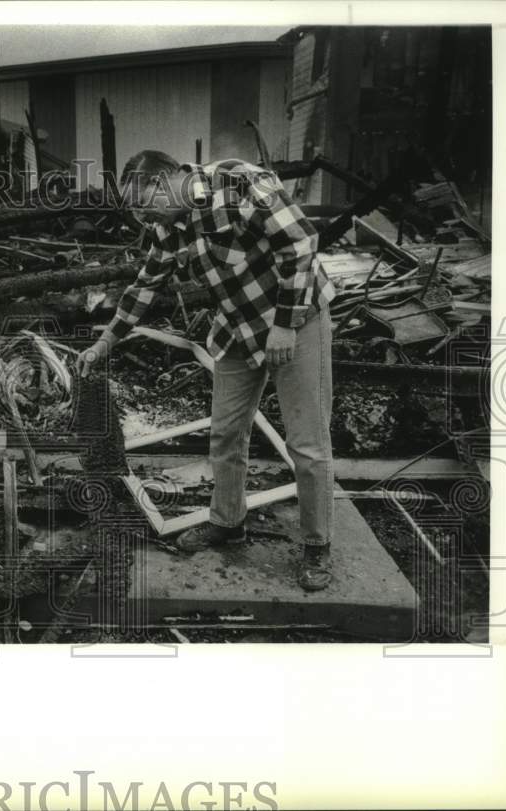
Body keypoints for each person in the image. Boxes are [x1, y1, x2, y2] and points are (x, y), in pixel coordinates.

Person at [75, 150, 337, 591]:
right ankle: (227, 522)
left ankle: (317, 545)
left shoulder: (237, 183)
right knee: (225, 433)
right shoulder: (168, 226)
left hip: (296, 321)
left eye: (143, 206)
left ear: (162, 184)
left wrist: (285, 326)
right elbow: (145, 284)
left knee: (307, 443)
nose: (142, 218)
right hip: (237, 328)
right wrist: (106, 341)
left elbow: (301, 243)